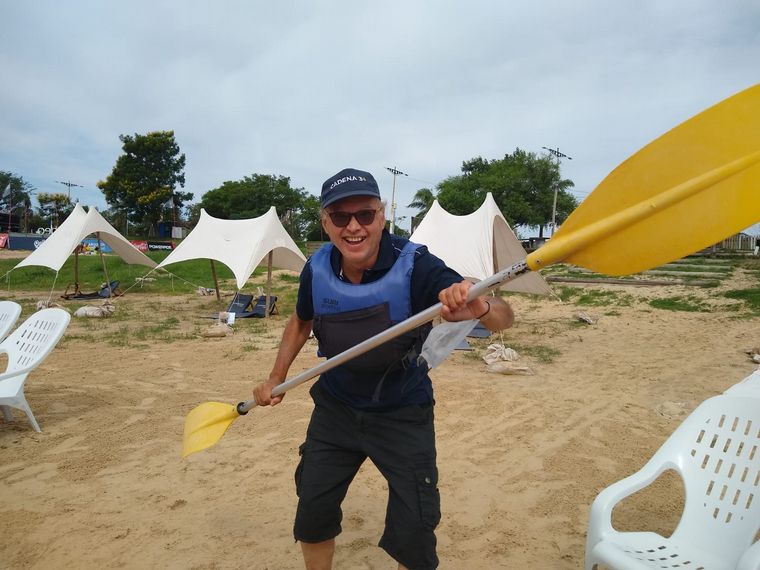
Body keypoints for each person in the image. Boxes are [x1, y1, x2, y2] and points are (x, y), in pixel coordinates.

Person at [253, 168, 514, 570]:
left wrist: (477, 304)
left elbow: (504, 317)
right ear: (325, 222)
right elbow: (301, 321)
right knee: (313, 509)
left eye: (365, 215)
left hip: (402, 410)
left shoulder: (419, 266)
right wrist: (277, 376)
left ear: (382, 215)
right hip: (335, 407)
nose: (353, 227)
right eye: (340, 217)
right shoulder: (317, 268)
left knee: (414, 526)